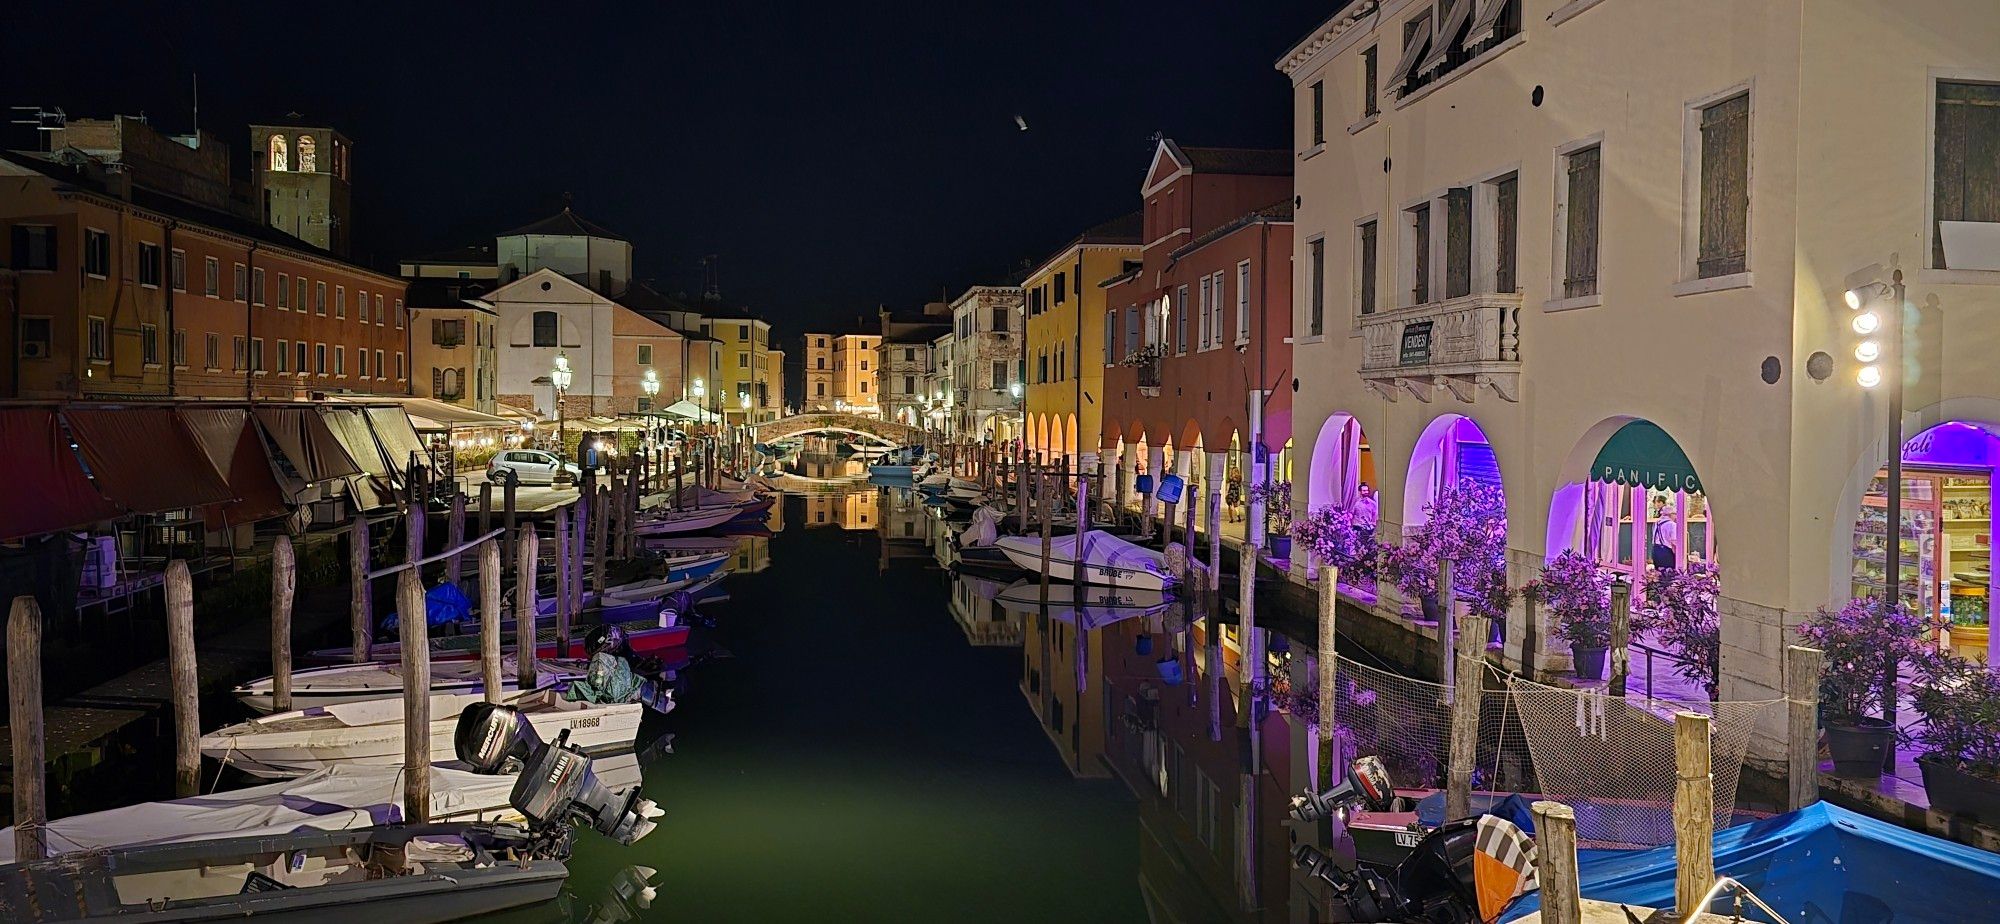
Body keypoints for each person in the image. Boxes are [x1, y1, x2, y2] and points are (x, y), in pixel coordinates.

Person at [1650, 497, 1680, 570]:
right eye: (1675, 514)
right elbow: (1674, 541)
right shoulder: (1672, 524)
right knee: (1668, 575)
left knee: (1658, 574)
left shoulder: (1656, 523)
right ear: (1670, 514)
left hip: (1655, 550)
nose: (1676, 516)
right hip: (1666, 552)